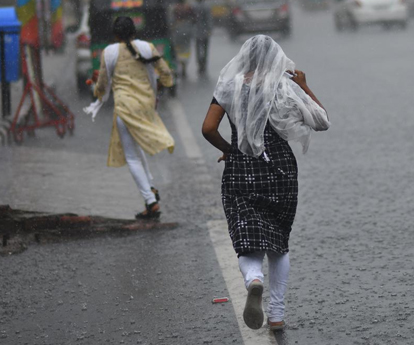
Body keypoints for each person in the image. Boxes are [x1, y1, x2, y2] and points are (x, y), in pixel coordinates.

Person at [202, 35, 330, 331]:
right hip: (281, 171)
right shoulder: (284, 85)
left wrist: (228, 149)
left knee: (246, 235)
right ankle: (276, 315)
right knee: (279, 244)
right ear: (276, 58)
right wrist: (304, 85)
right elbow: (321, 121)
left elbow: (208, 128)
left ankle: (253, 279)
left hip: (243, 167)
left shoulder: (229, 85)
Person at [84, 16, 175, 220]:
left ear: (115, 35)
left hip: (125, 109)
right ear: (135, 31)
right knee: (138, 151)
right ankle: (150, 190)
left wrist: (97, 88)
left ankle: (150, 202)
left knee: (132, 157)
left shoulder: (109, 52)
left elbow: (102, 86)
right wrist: (158, 89)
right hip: (145, 107)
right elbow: (167, 74)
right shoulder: (147, 47)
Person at [193, 0, 212, 75]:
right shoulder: (206, 6)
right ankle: (204, 63)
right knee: (205, 48)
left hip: (196, 31)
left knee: (198, 48)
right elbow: (209, 19)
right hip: (204, 31)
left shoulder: (193, 6)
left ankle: (200, 63)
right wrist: (209, 29)